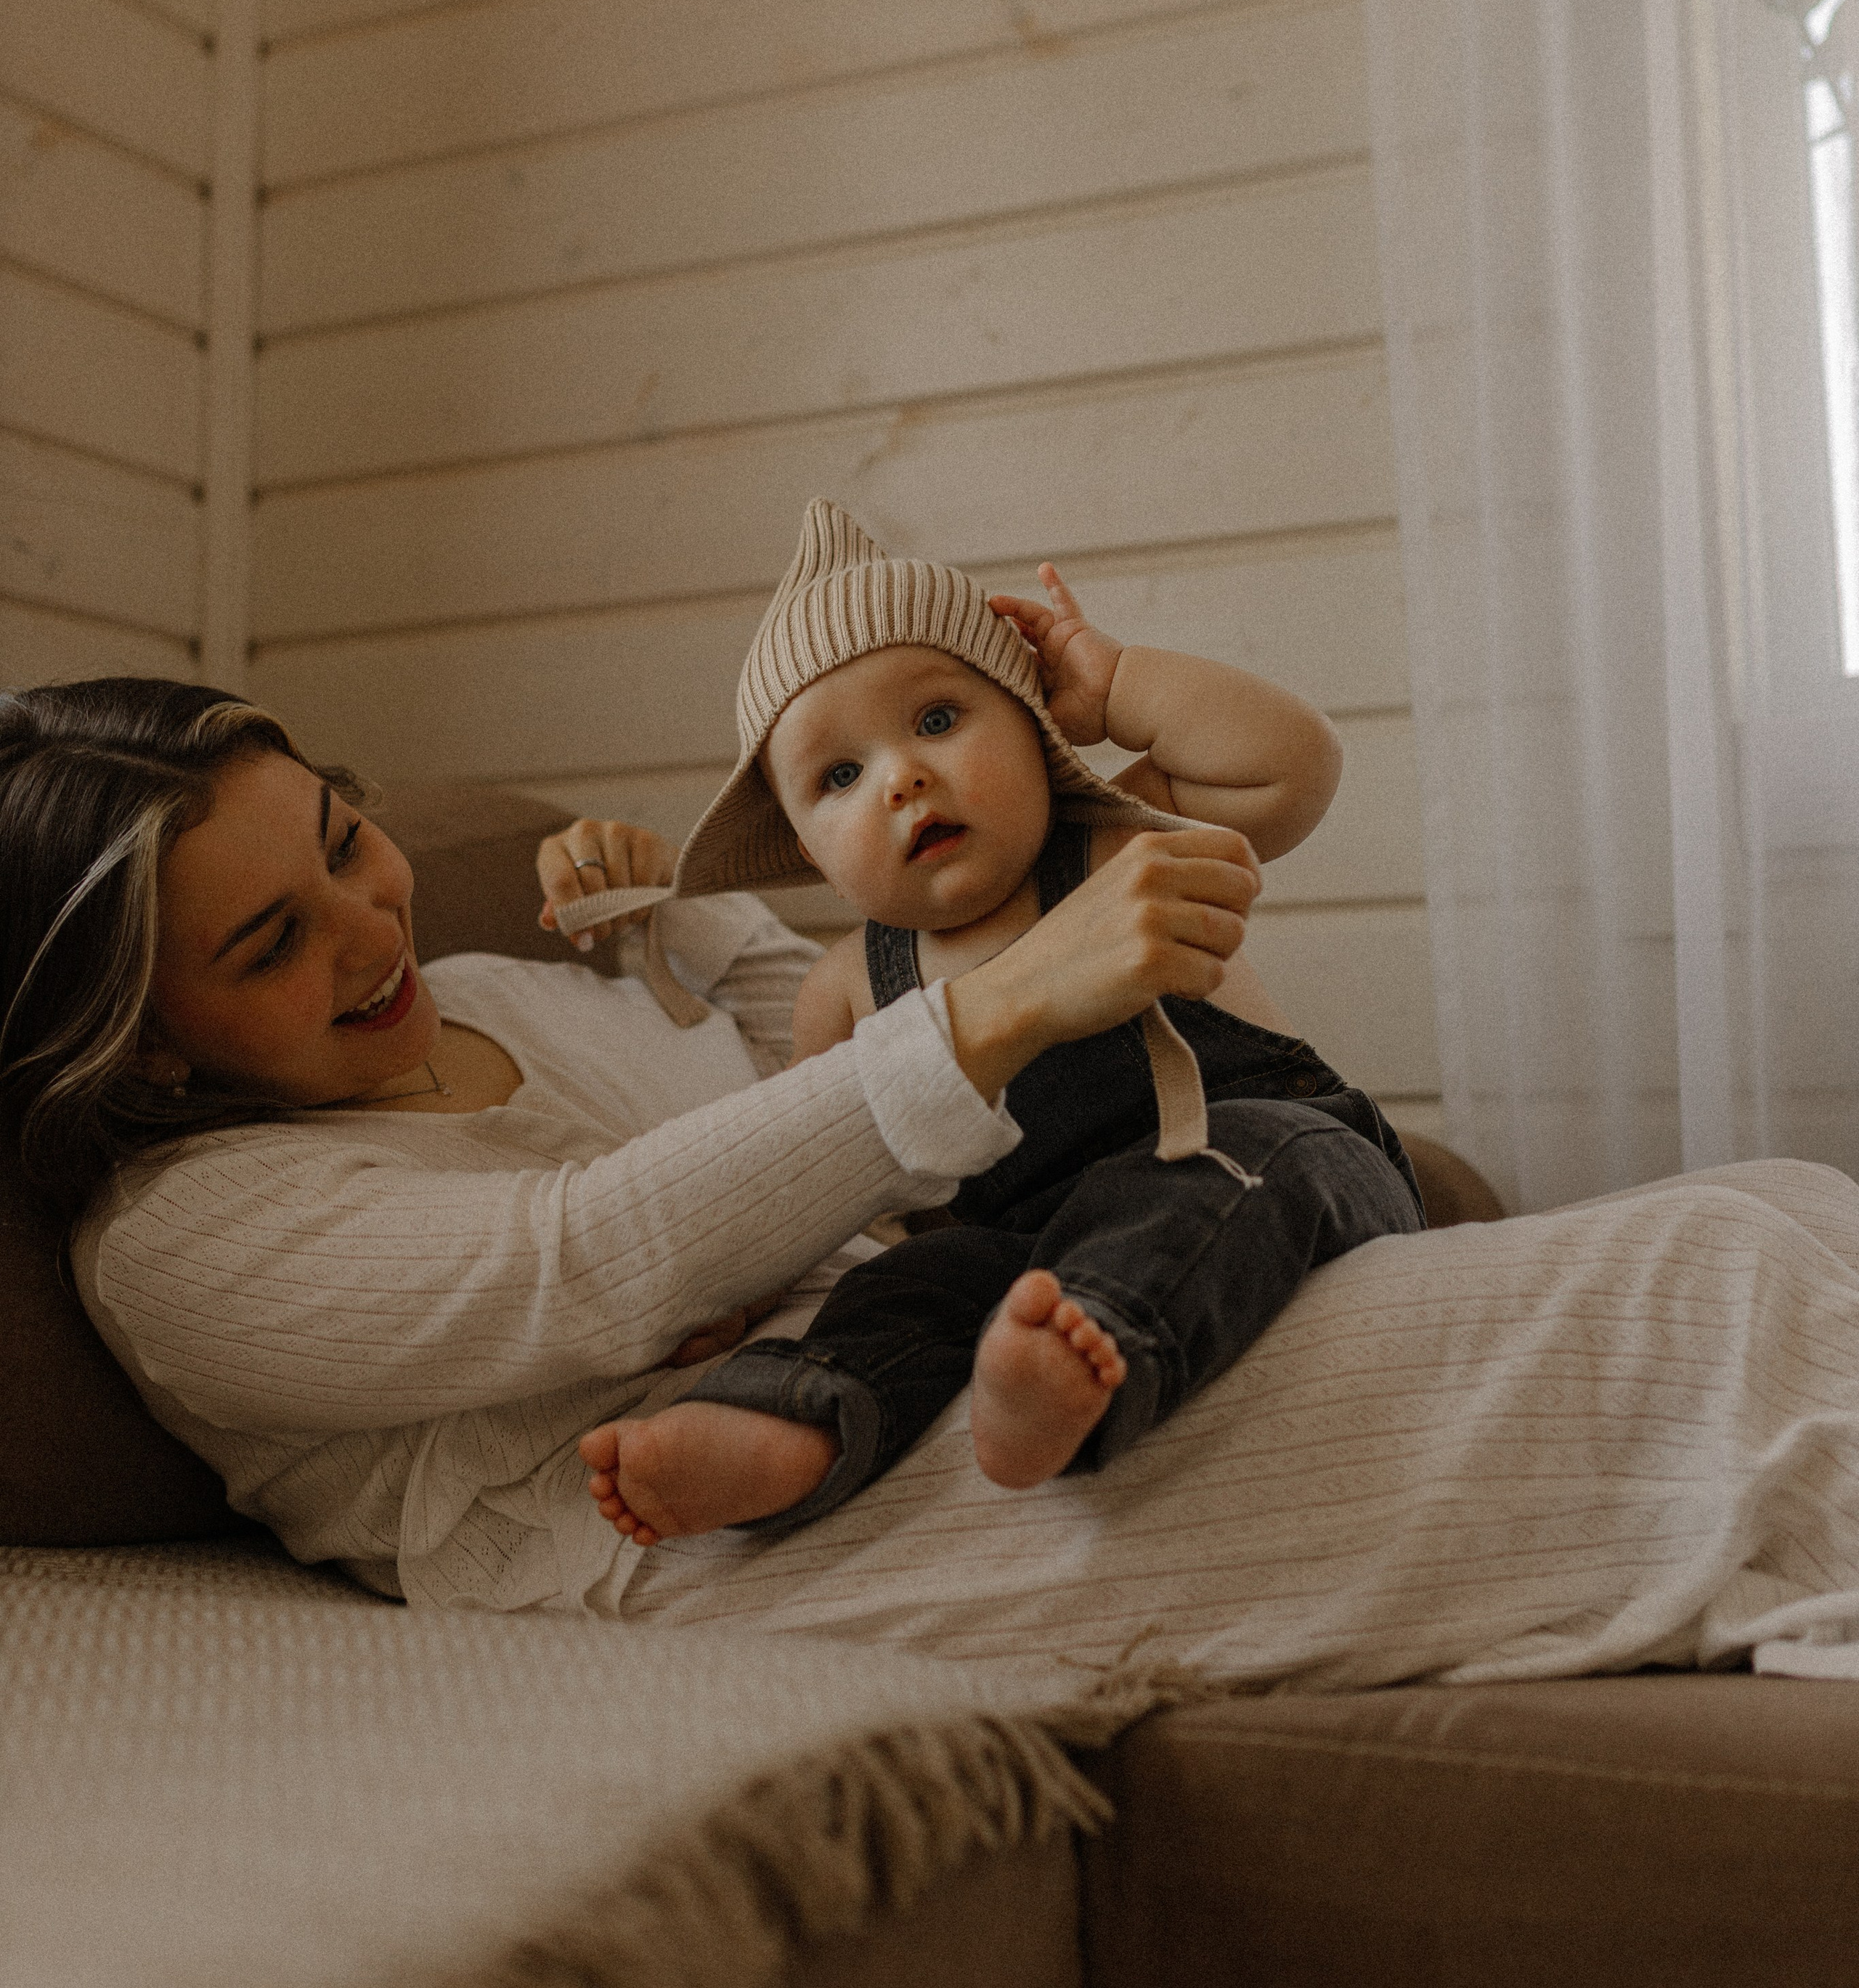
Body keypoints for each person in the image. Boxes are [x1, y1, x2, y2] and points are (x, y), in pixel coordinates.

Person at [0, 675, 1260, 1613]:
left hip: (991, 1330)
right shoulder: (179, 1243)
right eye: (272, 942)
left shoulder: (490, 987)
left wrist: (683, 917)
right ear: (143, 1041)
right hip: (808, 1519)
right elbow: (588, 1260)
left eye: (343, 842)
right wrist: (1013, 991)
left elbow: (805, 1046)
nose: (374, 926)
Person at [571, 502, 1423, 1547]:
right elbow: (813, 1184)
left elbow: (1292, 765)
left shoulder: (1115, 840)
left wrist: (1113, 689)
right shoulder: (845, 988)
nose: (901, 777)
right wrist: (745, 1296)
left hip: (1263, 1147)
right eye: (840, 777)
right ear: (802, 845)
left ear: (1033, 725)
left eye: (937, 720)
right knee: (907, 1282)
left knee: (1252, 1159)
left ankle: (1086, 1360)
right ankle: (793, 1422)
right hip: (1024, 1244)